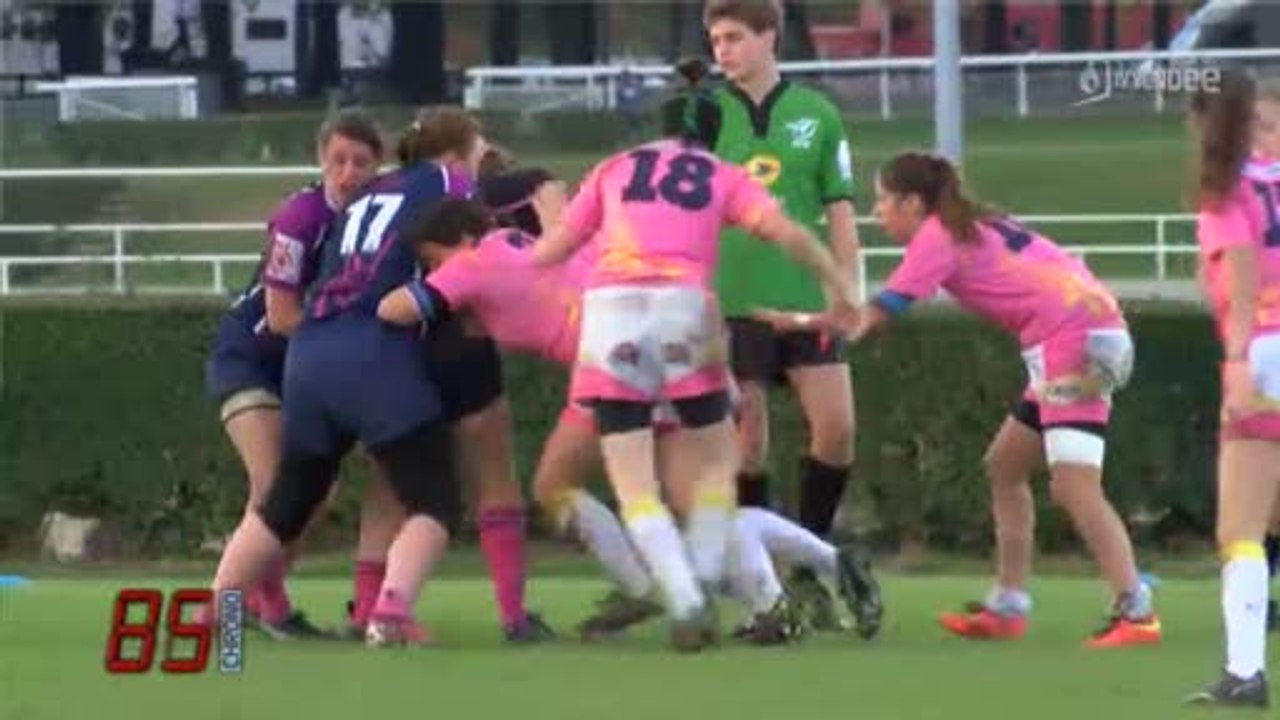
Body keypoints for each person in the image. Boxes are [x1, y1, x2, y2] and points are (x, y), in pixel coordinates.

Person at [378, 169, 880, 645]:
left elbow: (395, 309)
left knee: (555, 486)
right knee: (695, 500)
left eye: (432, 258)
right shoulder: (524, 243)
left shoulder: (472, 263)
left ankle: (654, 592)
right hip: (673, 338)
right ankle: (832, 566)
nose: (434, 269)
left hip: (615, 360)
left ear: (458, 241)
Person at [528, 77, 858, 652]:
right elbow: (791, 236)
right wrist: (839, 288)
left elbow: (550, 253)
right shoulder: (723, 175)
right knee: (715, 460)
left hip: (611, 310)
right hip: (685, 308)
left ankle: (683, 597)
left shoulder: (613, 169)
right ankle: (704, 575)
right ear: (711, 136)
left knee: (633, 480)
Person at [795, 150, 1159, 649]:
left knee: (1076, 486)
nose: (876, 212)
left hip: (1073, 346)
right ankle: (1008, 607)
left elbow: (882, 311)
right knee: (1004, 466)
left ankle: (1135, 612)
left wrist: (811, 331)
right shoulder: (971, 223)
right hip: (1076, 339)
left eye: (882, 200)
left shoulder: (936, 237)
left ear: (912, 202)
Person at [207, 106, 486, 648]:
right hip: (373, 354)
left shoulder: (359, 202)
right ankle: (390, 615)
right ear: (453, 155)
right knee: (435, 503)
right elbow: (473, 233)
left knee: (284, 505)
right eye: (478, 151)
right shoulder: (446, 178)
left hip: (309, 355)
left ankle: (216, 608)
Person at [341, 121, 551, 644]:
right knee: (494, 474)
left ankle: (367, 608)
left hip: (385, 350)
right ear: (452, 156)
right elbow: (522, 191)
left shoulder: (374, 193)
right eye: (476, 148)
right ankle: (513, 616)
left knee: (389, 485)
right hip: (454, 334)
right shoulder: (453, 188)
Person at [702, 0, 863, 630]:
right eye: (716, 39)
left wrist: (846, 289)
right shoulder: (705, 116)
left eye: (735, 37)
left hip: (804, 300)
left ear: (770, 37)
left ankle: (808, 565)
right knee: (747, 443)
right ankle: (761, 585)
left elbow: (840, 210)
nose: (723, 50)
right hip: (731, 300)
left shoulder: (817, 114)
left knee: (838, 430)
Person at [203, 111, 382, 638]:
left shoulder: (377, 214)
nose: (348, 172)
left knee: (315, 495)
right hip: (252, 359)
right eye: (338, 160)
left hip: (302, 368)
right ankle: (258, 613)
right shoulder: (301, 218)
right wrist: (352, 342)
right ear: (321, 159)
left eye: (361, 162)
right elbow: (281, 318)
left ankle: (262, 599)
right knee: (273, 489)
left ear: (380, 165)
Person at [1185, 71, 1280, 708]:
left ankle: (1244, 672)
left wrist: (1239, 357)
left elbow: (1238, 271)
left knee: (1241, 526)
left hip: (1267, 347)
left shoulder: (1225, 191)